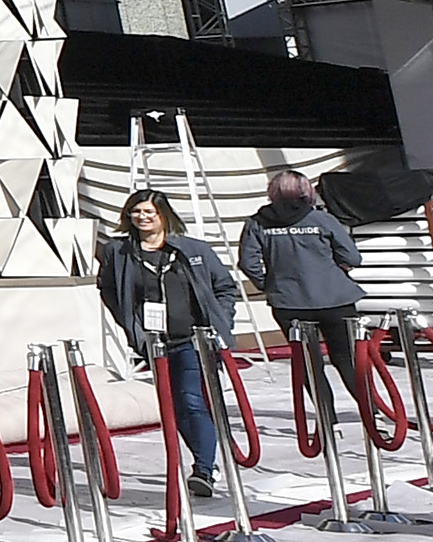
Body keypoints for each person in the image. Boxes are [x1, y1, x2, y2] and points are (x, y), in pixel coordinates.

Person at [98, 188, 239, 492]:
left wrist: (220, 323)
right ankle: (203, 458)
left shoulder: (191, 249)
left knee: (191, 399)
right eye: (136, 211)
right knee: (174, 403)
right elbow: (108, 289)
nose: (142, 217)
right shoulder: (118, 252)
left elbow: (225, 287)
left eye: (149, 211)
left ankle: (203, 469)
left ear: (164, 215)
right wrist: (130, 324)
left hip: (192, 339)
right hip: (154, 342)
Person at [238, 169, 367, 445]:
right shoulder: (321, 219)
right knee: (347, 358)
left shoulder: (257, 223)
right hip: (335, 298)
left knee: (309, 363)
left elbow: (248, 262)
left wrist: (270, 284)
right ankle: (372, 411)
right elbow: (353, 257)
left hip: (289, 303)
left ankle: (326, 419)